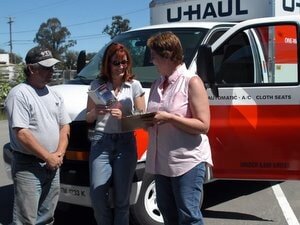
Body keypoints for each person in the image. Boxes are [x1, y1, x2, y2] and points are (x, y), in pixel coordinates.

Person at [145, 31, 213, 225]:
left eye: (154, 56)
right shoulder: (156, 84)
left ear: (167, 56)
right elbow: (156, 120)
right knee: (168, 215)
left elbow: (203, 125)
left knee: (189, 216)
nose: (152, 60)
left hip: (187, 162)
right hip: (161, 163)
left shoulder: (192, 82)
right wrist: (145, 122)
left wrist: (170, 118)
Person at [4, 46, 71, 225]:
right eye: (46, 67)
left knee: (47, 216)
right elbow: (22, 133)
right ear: (32, 69)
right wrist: (47, 156)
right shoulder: (19, 94)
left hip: (53, 164)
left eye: (52, 67)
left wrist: (58, 154)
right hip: (29, 165)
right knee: (26, 219)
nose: (51, 71)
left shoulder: (54, 94)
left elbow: (64, 126)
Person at [86, 42, 145, 225]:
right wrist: (96, 112)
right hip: (101, 142)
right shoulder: (97, 85)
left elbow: (142, 116)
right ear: (107, 64)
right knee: (97, 196)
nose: (121, 67)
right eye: (116, 63)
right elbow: (88, 118)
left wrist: (125, 115)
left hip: (125, 143)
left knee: (122, 200)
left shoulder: (134, 85)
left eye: (124, 62)